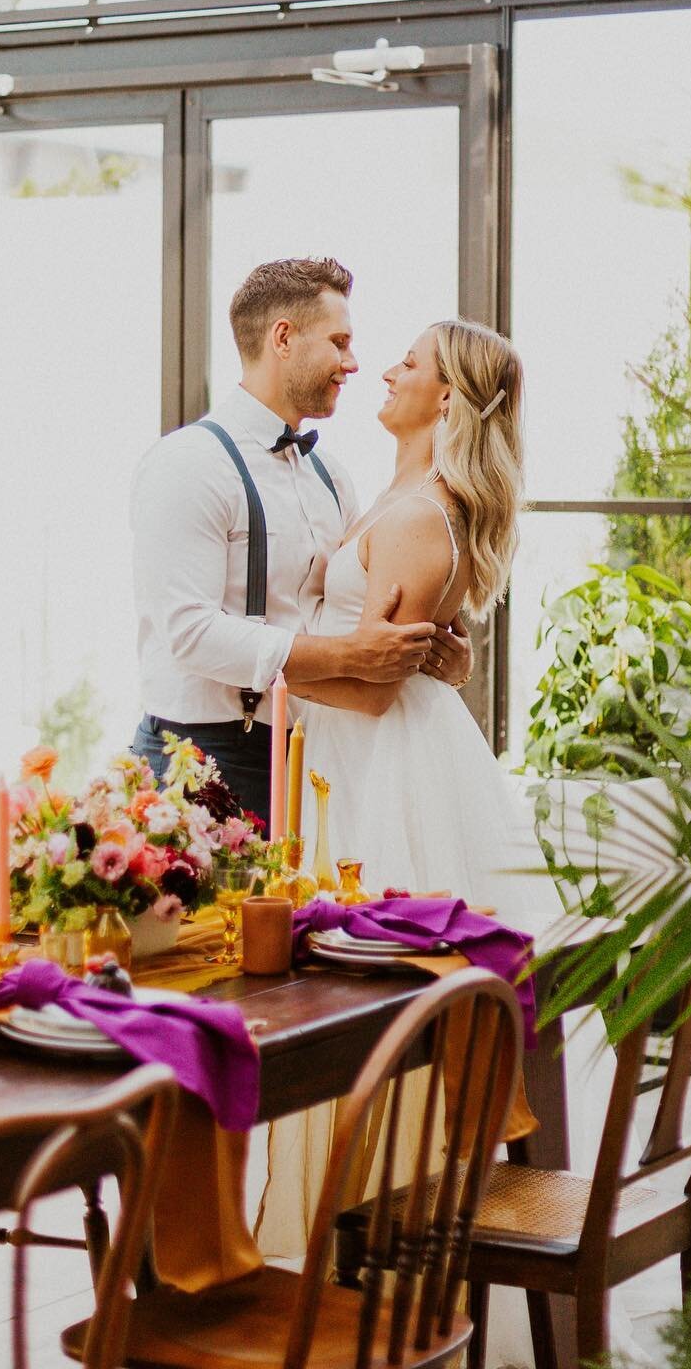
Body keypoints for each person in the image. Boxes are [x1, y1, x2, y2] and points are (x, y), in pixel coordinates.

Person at [129, 258, 472, 820]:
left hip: (316, 756)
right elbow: (188, 632)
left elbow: (352, 610)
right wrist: (350, 656)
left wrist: (438, 659)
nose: (354, 363)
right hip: (199, 761)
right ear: (283, 338)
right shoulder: (188, 463)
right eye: (339, 342)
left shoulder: (331, 476)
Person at [287, 317, 535, 911]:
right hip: (353, 742)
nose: (388, 373)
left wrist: (251, 670)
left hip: (379, 755)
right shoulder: (396, 499)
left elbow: (375, 689)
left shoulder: (420, 515)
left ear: (447, 396)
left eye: (409, 363)